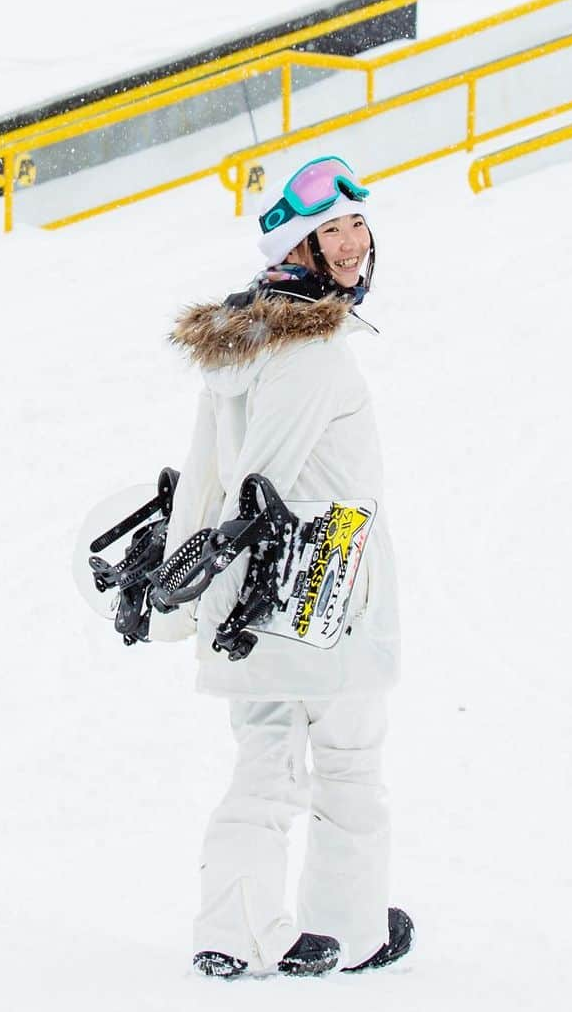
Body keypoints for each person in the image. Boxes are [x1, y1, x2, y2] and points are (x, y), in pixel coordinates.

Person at [149, 154, 411, 979]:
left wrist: (186, 589)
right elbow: (262, 482)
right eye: (329, 229)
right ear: (296, 249)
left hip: (248, 610)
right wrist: (243, 568)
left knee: (265, 756)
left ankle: (235, 928)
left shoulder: (240, 346)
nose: (351, 242)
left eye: (356, 222)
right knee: (347, 758)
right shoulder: (312, 352)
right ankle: (355, 925)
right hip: (319, 593)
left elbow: (205, 476)